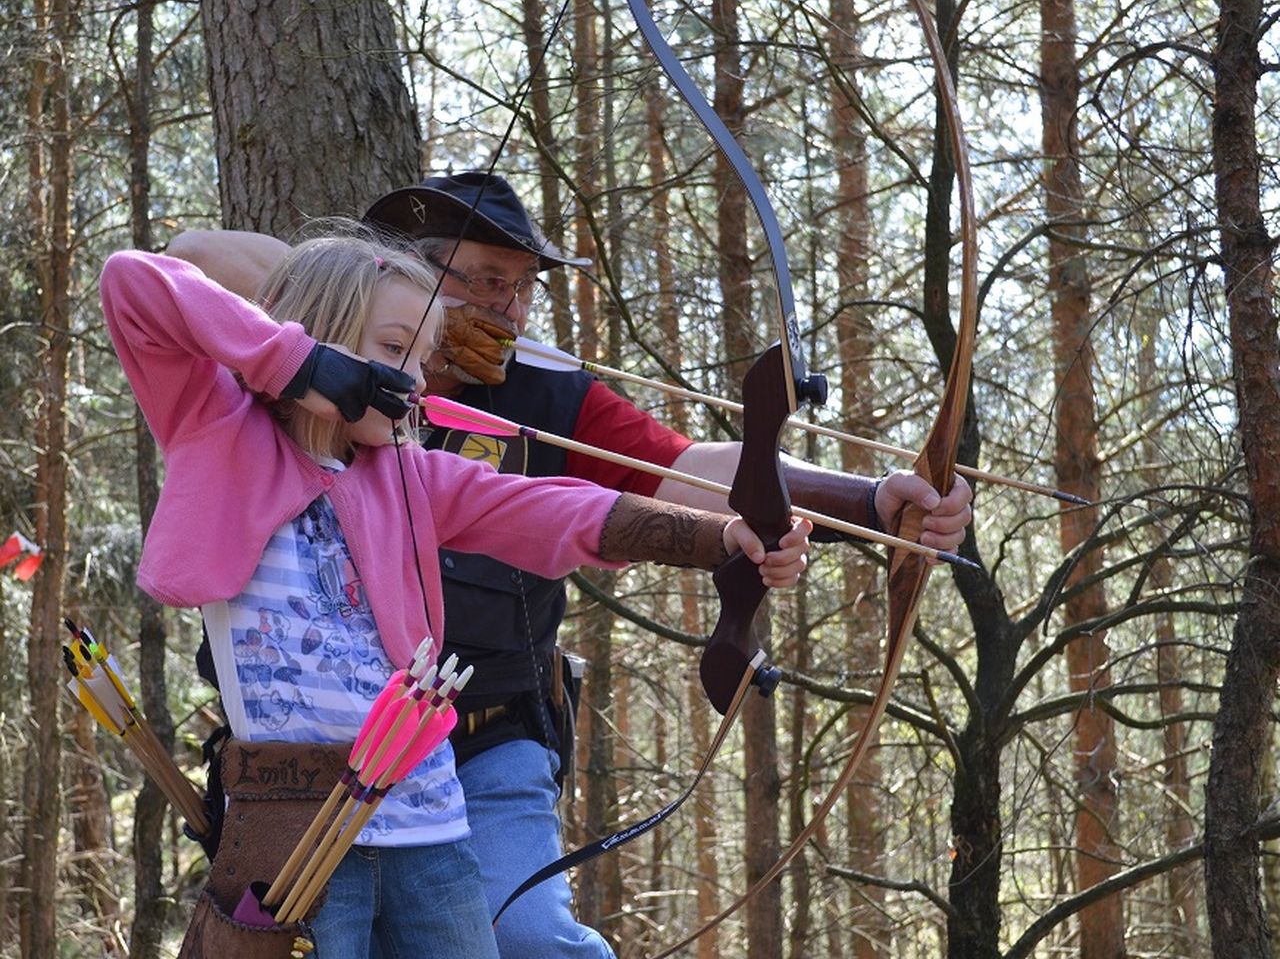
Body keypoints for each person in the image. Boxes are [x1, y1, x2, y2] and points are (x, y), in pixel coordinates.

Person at [167, 173, 973, 959]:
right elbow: (192, 252)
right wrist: (359, 312)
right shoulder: (281, 374)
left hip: (481, 742)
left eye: (521, 290)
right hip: (305, 769)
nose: (508, 310)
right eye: (485, 282)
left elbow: (690, 469)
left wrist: (871, 506)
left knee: (525, 936)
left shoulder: (551, 393)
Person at [103, 231, 812, 959]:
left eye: (422, 356)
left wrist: (723, 537)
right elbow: (132, 283)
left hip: (428, 822)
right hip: (294, 831)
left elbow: (558, 510)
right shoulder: (216, 427)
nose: (413, 378)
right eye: (392, 348)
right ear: (319, 334)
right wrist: (302, 365)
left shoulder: (413, 474)